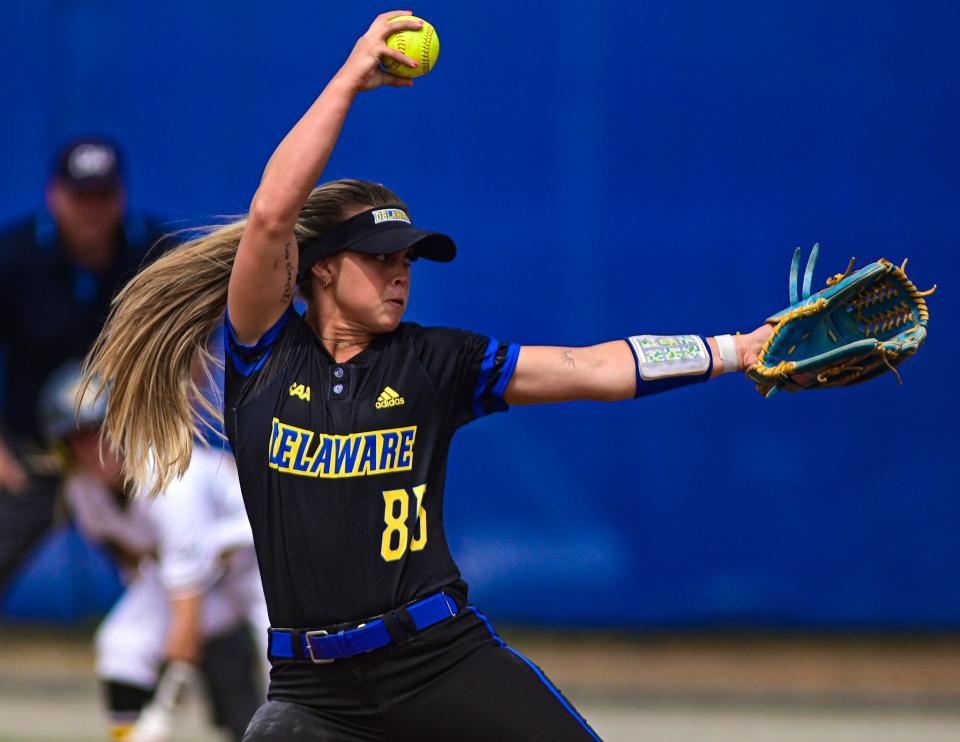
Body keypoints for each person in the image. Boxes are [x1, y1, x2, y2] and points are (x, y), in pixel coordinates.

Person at [83, 12, 774, 741]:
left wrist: (735, 349)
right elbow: (270, 214)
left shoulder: (436, 361)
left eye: (407, 258)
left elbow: (592, 368)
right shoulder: (265, 357)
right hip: (312, 694)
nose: (399, 272)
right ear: (319, 267)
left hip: (438, 662)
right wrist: (352, 78)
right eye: (380, 256)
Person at [38, 360, 270, 742]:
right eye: (78, 437)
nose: (95, 447)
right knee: (121, 643)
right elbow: (124, 549)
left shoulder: (169, 481)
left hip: (260, 572)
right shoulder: (82, 491)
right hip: (201, 577)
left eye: (100, 429)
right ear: (64, 450)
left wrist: (162, 711)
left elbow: (187, 617)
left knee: (288, 673)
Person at [0, 136, 171, 590]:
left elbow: (194, 347)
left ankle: (207, 658)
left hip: (122, 451)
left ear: (121, 196)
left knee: (174, 562)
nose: (91, 210)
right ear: (55, 195)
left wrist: (165, 431)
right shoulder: (12, 258)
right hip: (32, 455)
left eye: (103, 196)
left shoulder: (156, 255)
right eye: (80, 197)